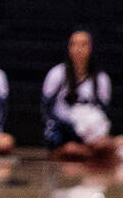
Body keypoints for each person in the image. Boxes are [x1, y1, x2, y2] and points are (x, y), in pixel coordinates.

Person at [41, 30, 114, 159]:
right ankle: (78, 152)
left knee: (106, 145)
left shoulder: (101, 79)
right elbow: (46, 109)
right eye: (74, 44)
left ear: (91, 48)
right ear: (69, 48)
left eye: (84, 44)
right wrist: (65, 126)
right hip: (61, 129)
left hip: (87, 132)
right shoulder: (57, 73)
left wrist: (93, 129)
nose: (78, 49)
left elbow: (103, 112)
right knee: (70, 149)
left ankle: (85, 152)